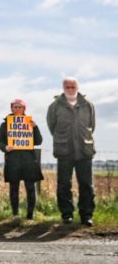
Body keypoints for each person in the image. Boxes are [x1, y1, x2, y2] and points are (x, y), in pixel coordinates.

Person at [47, 77, 96, 226]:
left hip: (84, 151)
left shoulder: (88, 105)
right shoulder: (55, 106)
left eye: (72, 86)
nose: (70, 89)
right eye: (67, 87)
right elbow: (52, 127)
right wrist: (63, 139)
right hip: (64, 151)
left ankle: (86, 216)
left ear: (77, 87)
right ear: (63, 88)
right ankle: (66, 214)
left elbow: (91, 126)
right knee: (63, 184)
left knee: (86, 184)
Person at [0, 98, 44, 219]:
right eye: (15, 107)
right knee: (14, 188)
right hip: (13, 160)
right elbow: (0, 142)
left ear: (24, 109)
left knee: (30, 188)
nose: (17, 109)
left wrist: (35, 127)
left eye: (20, 107)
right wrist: (5, 147)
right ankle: (15, 214)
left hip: (28, 160)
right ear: (11, 108)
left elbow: (38, 141)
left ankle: (30, 214)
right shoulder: (5, 125)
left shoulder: (30, 123)